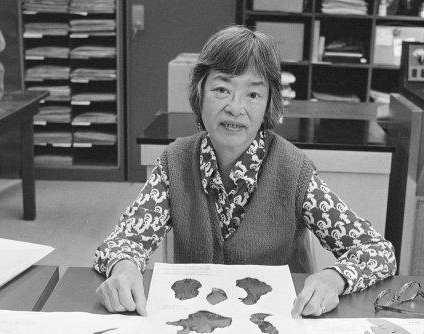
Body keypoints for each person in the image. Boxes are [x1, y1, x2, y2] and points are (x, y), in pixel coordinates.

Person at [93, 25, 397, 317]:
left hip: (277, 324)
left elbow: (378, 251)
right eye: (222, 89)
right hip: (196, 320)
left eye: (253, 94)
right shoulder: (175, 164)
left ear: (268, 105)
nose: (235, 107)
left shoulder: (294, 172)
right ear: (200, 93)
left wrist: (333, 278)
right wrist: (124, 267)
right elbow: (124, 241)